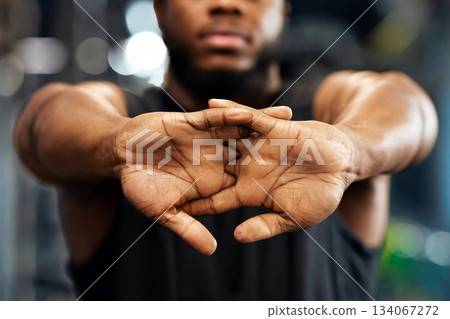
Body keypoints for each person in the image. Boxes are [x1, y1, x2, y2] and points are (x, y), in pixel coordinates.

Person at [13, 0, 437, 300]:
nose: (226, 4)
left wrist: (351, 149)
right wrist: (118, 144)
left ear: (283, 12)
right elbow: (43, 123)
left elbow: (407, 106)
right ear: (160, 9)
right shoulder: (122, 120)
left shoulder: (332, 115)